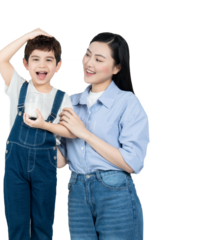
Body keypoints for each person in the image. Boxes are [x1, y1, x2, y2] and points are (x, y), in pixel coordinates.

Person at [56, 31, 149, 239]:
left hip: (114, 192)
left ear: (117, 68)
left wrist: (84, 133)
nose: (89, 63)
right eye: (87, 55)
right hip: (77, 191)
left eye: (99, 59)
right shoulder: (70, 102)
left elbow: (132, 163)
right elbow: (60, 162)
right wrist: (43, 128)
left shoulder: (129, 104)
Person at [0, 26, 76, 239]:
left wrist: (45, 125)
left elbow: (70, 130)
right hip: (16, 167)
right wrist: (29, 35)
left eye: (49, 60)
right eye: (36, 59)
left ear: (58, 66)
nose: (42, 64)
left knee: (43, 226)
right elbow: (0, 57)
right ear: (25, 64)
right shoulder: (18, 86)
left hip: (45, 167)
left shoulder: (62, 97)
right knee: (17, 226)